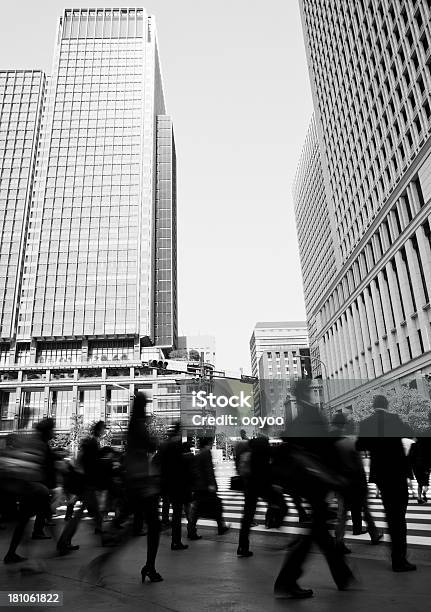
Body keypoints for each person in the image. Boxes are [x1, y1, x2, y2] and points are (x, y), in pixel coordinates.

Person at [273, 380, 354, 599]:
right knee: (316, 532)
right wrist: (336, 477)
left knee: (318, 531)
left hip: (307, 482)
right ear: (306, 393)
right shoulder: (312, 415)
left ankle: (342, 575)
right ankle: (288, 580)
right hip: (315, 481)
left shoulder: (299, 419)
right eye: (311, 390)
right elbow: (324, 448)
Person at [357, 394, 415, 572]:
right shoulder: (394, 419)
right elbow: (410, 433)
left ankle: (397, 558)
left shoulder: (366, 423)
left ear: (373, 406)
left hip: (381, 475)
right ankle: (399, 559)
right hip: (397, 472)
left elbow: (360, 445)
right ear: (386, 405)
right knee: (399, 516)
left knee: (391, 514)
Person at [0, 419, 54, 563]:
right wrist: (41, 486)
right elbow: (32, 469)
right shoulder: (39, 445)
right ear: (47, 431)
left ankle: (12, 554)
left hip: (24, 488)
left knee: (24, 522)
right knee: (35, 519)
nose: (53, 433)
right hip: (29, 489)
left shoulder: (32, 441)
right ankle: (32, 559)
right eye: (52, 430)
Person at [124, 393, 163, 583]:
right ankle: (149, 567)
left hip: (134, 480)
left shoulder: (133, 424)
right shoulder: (139, 425)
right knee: (154, 526)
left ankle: (150, 566)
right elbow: (151, 444)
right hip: (143, 481)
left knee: (137, 525)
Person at [331, 413, 382, 552]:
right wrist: (364, 484)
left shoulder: (332, 443)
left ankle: (339, 541)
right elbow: (358, 465)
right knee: (366, 511)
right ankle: (374, 535)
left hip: (341, 484)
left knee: (342, 515)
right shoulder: (351, 441)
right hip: (356, 483)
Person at [56, 420, 106, 555]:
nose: (104, 431)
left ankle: (104, 536)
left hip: (84, 482)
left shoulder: (89, 442)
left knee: (94, 513)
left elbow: (81, 462)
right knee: (81, 514)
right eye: (103, 429)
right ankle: (64, 541)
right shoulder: (94, 443)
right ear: (100, 430)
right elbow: (91, 465)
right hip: (88, 483)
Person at [237, 435, 286, 557]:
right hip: (265, 488)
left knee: (247, 517)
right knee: (282, 505)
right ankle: (275, 521)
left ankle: (242, 546)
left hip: (250, 488)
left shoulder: (251, 454)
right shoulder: (266, 453)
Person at [187, 437, 229, 539]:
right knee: (216, 505)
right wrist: (211, 484)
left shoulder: (199, 453)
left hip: (199, 486)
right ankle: (220, 527)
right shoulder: (206, 452)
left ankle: (192, 530)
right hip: (206, 486)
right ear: (208, 443)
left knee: (199, 508)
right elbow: (208, 469)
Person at [159, 423, 190, 550]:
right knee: (177, 514)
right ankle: (176, 542)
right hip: (177, 485)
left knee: (175, 513)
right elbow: (181, 467)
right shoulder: (176, 447)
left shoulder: (164, 446)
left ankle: (175, 540)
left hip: (166, 484)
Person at [409, 411, 431, 504]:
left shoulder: (415, 443)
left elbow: (411, 453)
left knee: (420, 481)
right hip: (426, 461)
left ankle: (420, 496)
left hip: (416, 463)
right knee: (425, 481)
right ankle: (424, 495)